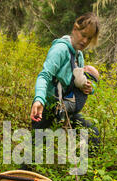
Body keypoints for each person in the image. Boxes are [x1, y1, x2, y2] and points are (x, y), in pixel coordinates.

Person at [30, 12, 100, 149]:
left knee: (94, 134)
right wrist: (39, 99)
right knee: (36, 153)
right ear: (75, 29)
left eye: (89, 38)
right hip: (46, 108)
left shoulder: (79, 56)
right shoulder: (60, 49)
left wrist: (90, 89)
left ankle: (82, 169)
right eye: (83, 35)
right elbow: (44, 76)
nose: (85, 41)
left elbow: (77, 82)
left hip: (64, 110)